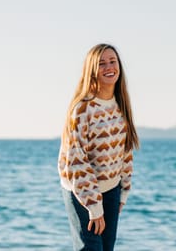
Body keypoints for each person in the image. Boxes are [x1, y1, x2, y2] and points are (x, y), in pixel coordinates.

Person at [58, 43, 139, 251]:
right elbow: (76, 160)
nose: (108, 67)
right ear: (92, 70)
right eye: (101, 63)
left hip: (111, 188)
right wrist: (94, 206)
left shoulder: (121, 105)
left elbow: (125, 152)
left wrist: (123, 192)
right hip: (81, 191)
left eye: (112, 61)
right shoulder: (82, 108)